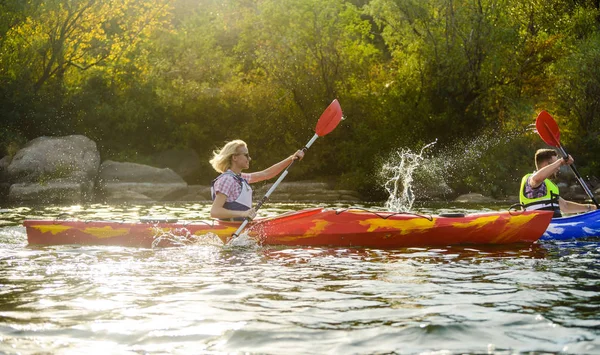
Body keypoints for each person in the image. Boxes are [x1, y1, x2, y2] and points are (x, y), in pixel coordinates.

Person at [209, 139, 305, 221]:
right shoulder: (227, 179)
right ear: (234, 157)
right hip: (233, 227)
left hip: (244, 225)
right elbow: (215, 211)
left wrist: (291, 158)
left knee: (291, 214)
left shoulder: (239, 177)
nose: (249, 158)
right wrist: (243, 214)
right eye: (246, 155)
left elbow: (266, 174)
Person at [519, 148, 597, 217]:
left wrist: (592, 207)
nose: (558, 168)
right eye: (555, 164)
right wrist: (560, 161)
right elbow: (536, 179)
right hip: (537, 226)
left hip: (555, 225)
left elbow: (565, 206)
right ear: (546, 165)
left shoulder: (549, 185)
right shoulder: (531, 179)